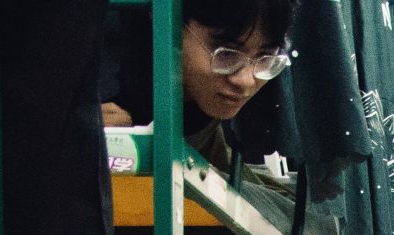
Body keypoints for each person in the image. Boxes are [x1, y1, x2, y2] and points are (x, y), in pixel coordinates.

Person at [101, 0, 295, 170]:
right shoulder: (100, 72)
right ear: (165, 20)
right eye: (226, 54)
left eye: (264, 56)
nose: (246, 81)